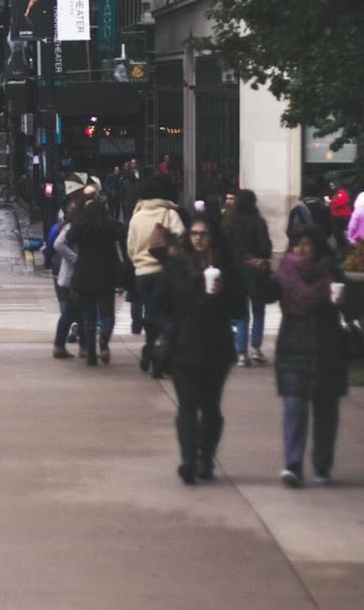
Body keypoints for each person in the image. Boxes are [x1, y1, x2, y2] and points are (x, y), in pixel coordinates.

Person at [151, 210, 246, 484]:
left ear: (213, 237)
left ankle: (206, 456)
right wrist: (171, 329)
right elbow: (159, 305)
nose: (199, 239)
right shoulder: (177, 264)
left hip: (216, 346)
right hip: (184, 346)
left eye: (204, 234)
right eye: (194, 234)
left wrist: (222, 293)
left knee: (211, 406)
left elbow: (239, 308)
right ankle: (189, 459)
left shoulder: (225, 266)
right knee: (188, 406)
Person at [259, 224, 348, 487]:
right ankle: (293, 464)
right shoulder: (285, 272)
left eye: (307, 244)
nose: (301, 249)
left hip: (326, 347)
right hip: (293, 345)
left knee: (326, 411)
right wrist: (261, 276)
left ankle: (322, 465)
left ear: (317, 247)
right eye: (297, 244)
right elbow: (267, 295)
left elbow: (355, 307)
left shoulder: (331, 273)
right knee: (294, 407)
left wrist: (344, 300)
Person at [125, 175, 186, 376]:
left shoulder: (136, 216)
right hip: (165, 272)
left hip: (142, 273)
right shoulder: (169, 214)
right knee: (167, 316)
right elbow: (182, 240)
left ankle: (149, 350)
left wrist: (139, 262)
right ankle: (160, 358)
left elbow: (130, 248)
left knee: (150, 314)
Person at [59, 196, 123, 366]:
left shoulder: (81, 226)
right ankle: (104, 341)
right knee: (107, 313)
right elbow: (123, 234)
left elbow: (68, 239)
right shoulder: (109, 225)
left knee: (87, 315)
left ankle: (91, 353)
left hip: (84, 274)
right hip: (106, 274)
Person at [223, 188, 274, 367]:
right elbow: (266, 249)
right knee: (258, 310)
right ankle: (256, 348)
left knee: (241, 313)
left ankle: (242, 352)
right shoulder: (258, 222)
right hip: (255, 271)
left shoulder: (228, 223)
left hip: (235, 272)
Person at [50, 194, 87, 358]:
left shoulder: (77, 225)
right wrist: (76, 259)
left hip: (76, 276)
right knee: (73, 312)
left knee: (77, 312)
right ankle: (67, 345)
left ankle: (80, 345)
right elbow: (58, 244)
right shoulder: (72, 226)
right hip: (73, 277)